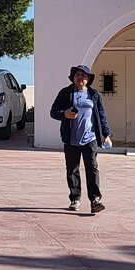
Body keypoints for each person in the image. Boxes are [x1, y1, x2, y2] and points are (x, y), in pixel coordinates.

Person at [50, 65, 112, 213]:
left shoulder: (94, 94)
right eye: (78, 75)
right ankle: (75, 199)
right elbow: (53, 112)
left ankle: (95, 200)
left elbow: (101, 116)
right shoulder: (66, 93)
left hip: (90, 138)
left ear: (89, 79)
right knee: (72, 170)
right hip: (71, 138)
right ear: (73, 77)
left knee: (92, 168)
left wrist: (106, 135)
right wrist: (64, 114)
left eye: (84, 76)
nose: (81, 78)